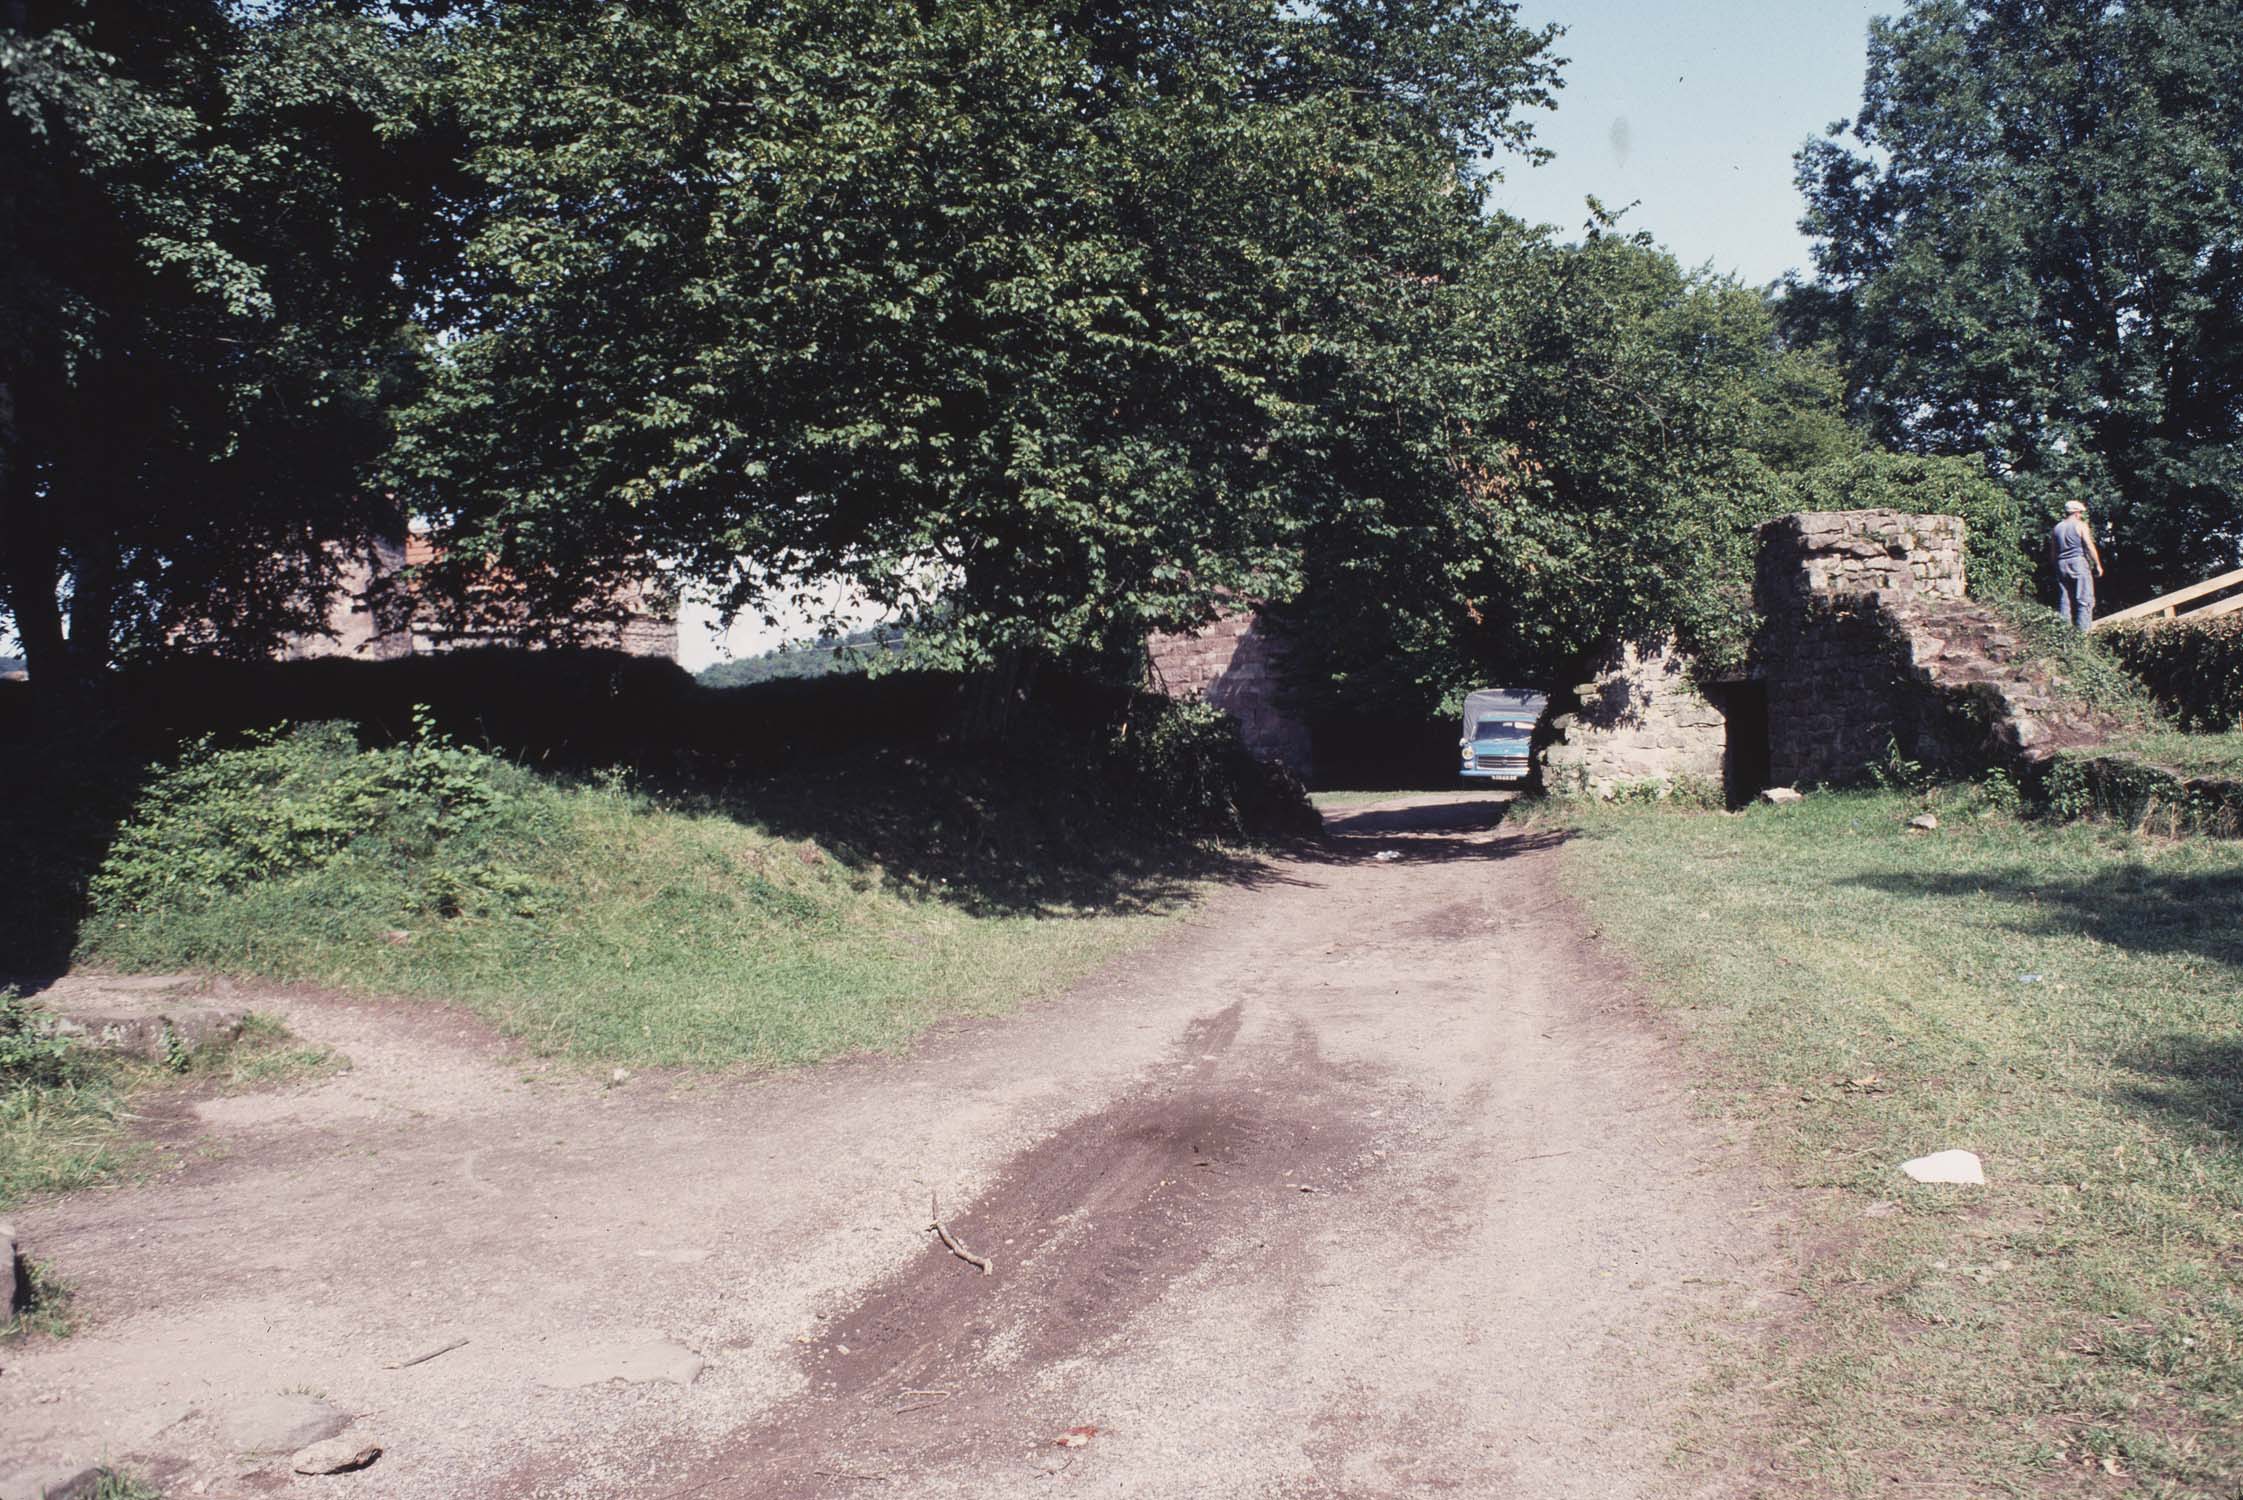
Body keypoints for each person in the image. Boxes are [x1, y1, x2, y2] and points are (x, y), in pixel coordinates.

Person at [2049, 499, 2104, 633]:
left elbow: (2053, 552)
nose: (2081, 515)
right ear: (2076, 513)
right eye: (2080, 513)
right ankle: (2083, 636)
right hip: (2078, 562)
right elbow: (2089, 545)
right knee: (2084, 599)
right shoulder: (2080, 525)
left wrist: (2056, 567)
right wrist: (2097, 564)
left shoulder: (2057, 528)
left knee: (2065, 600)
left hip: (2061, 564)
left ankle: (2064, 634)